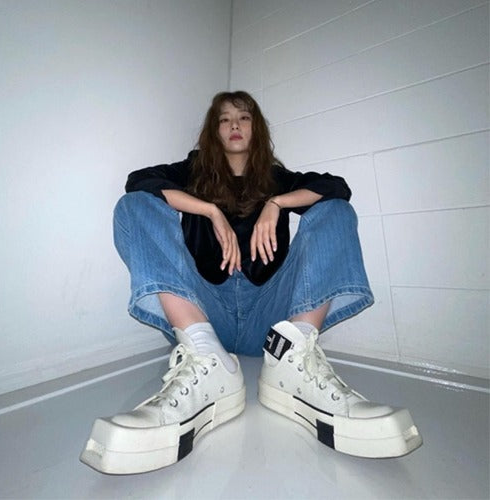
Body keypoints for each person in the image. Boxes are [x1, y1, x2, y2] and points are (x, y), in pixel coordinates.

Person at [80, 91, 422, 475]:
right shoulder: (193, 171)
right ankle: (204, 351)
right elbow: (139, 181)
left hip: (269, 316)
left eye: (243, 117)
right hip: (207, 310)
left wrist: (276, 203)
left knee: (335, 210)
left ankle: (291, 354)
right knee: (134, 205)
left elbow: (336, 186)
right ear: (214, 130)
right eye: (224, 119)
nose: (235, 125)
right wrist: (210, 211)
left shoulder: (276, 179)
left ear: (256, 128)